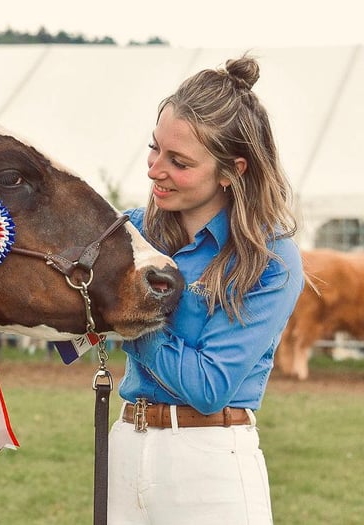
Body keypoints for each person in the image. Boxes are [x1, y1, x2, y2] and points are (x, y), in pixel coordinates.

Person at [108, 55, 304, 524]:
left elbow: (209, 386)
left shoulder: (269, 259)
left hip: (209, 460)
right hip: (125, 445)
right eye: (154, 149)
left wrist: (125, 313)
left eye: (179, 162)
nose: (155, 169)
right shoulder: (131, 231)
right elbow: (73, 322)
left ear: (231, 170)